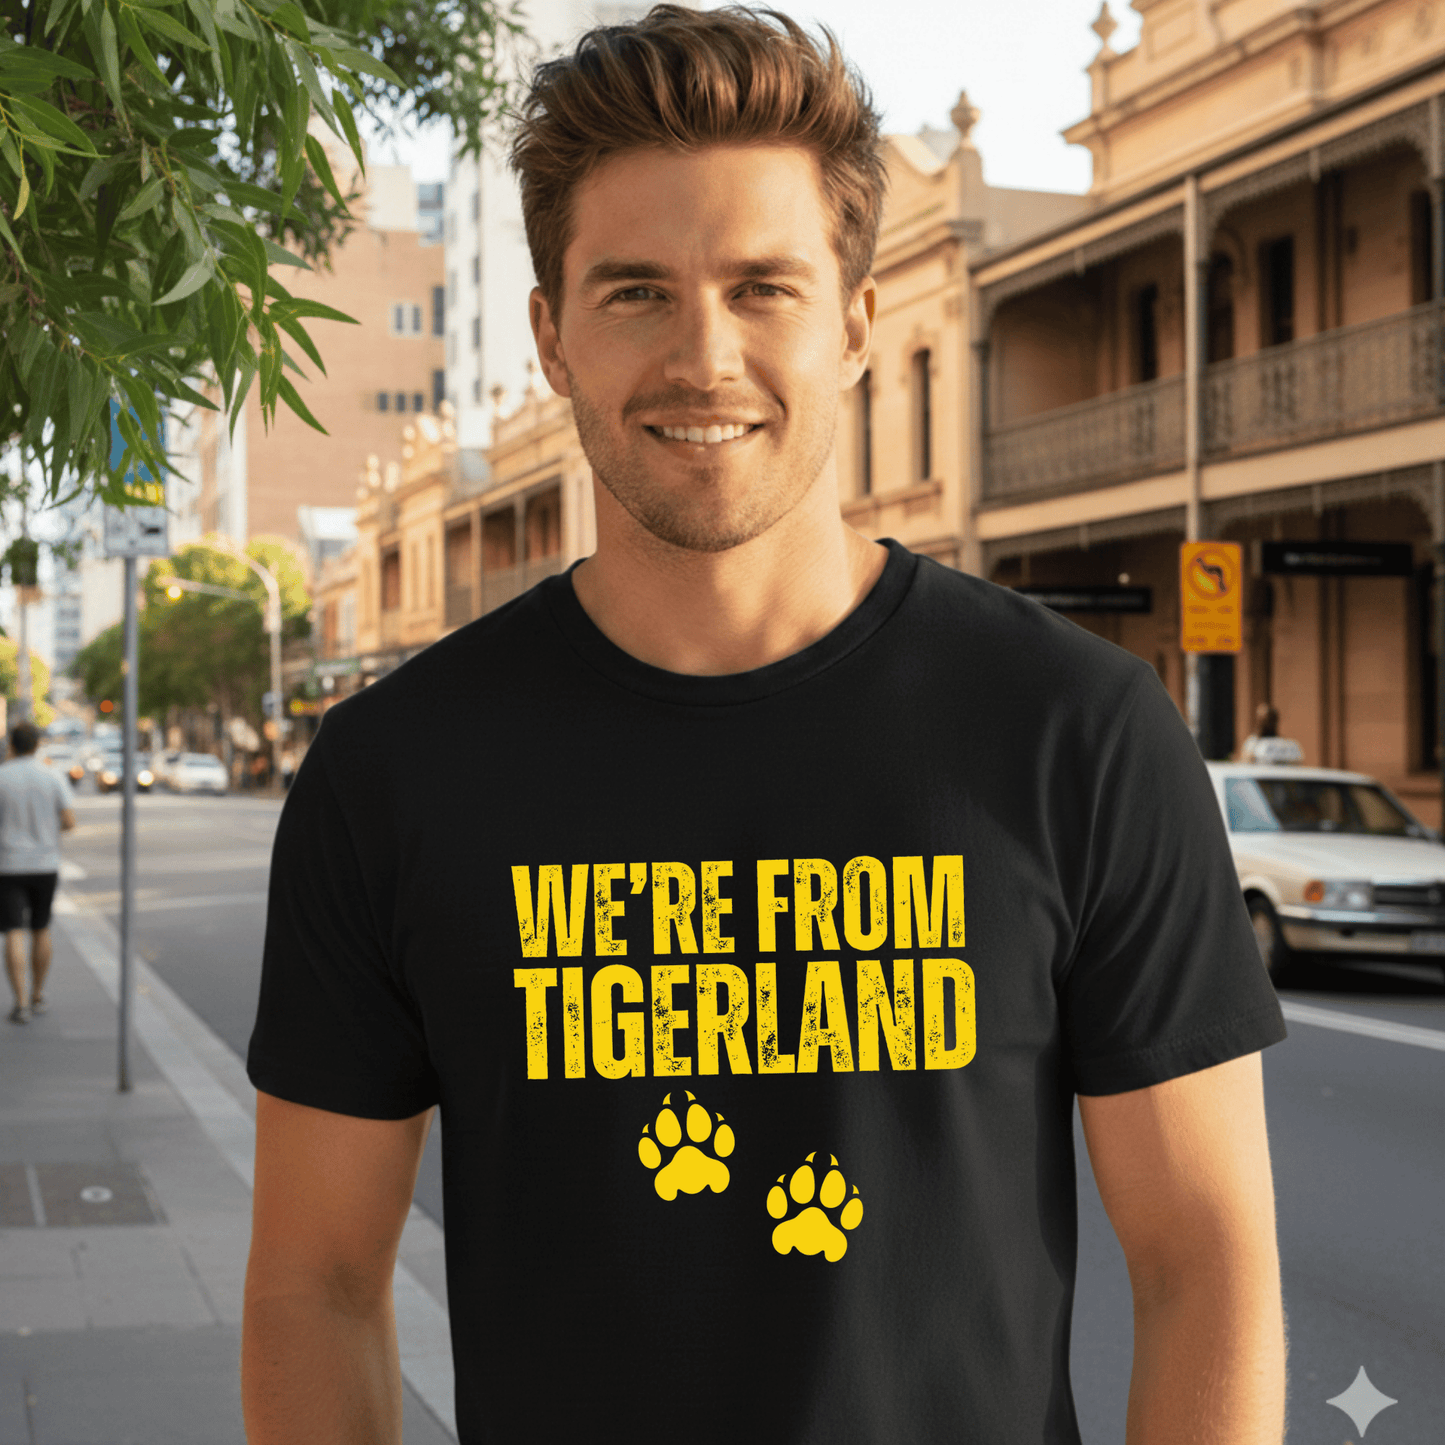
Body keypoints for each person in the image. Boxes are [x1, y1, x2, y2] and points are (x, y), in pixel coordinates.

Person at [242, 8, 1289, 1442]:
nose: (703, 356)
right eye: (633, 293)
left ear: (856, 323)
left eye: (762, 287)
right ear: (549, 335)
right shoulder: (393, 774)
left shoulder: (1079, 732)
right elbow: (312, 1278)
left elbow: (1205, 1262)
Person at [0, 721, 77, 1024]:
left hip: (7, 865)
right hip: (45, 864)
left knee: (13, 931)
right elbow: (69, 821)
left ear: (12, 745)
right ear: (37, 745)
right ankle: (38, 994)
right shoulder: (52, 775)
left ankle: (20, 1003)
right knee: (41, 928)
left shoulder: (1, 777)